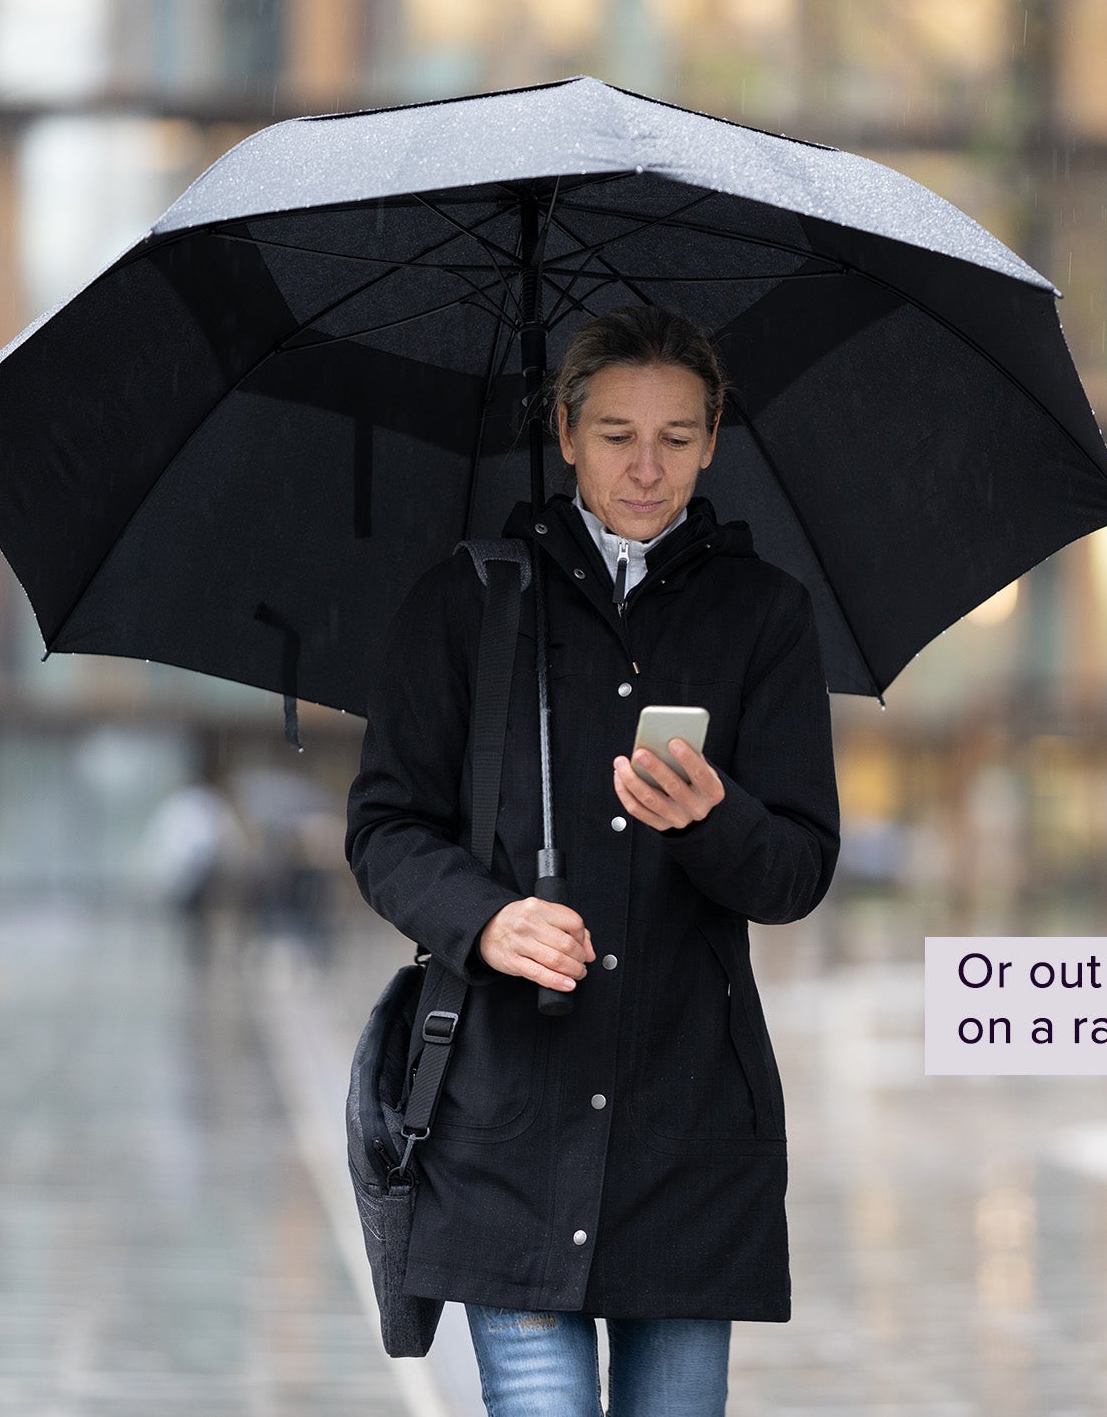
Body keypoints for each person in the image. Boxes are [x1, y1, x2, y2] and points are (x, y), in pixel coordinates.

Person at [343, 304, 840, 1415]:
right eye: (616, 434)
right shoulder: (465, 603)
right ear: (564, 433)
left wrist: (716, 819)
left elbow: (800, 871)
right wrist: (487, 920)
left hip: (690, 1131)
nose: (647, 467)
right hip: (506, 1125)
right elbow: (384, 829)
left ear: (713, 440)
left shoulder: (765, 618)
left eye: (676, 436)